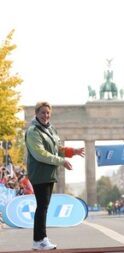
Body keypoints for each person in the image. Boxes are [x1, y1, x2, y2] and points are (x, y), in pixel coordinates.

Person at [25, 101, 85, 250]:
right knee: (42, 206)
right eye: (42, 113)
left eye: (47, 113)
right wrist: (61, 161)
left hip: (48, 173)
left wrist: (72, 151)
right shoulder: (33, 131)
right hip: (39, 173)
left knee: (44, 206)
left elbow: (57, 148)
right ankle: (39, 240)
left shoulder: (51, 129)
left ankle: (41, 239)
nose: (45, 116)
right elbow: (40, 154)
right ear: (36, 114)